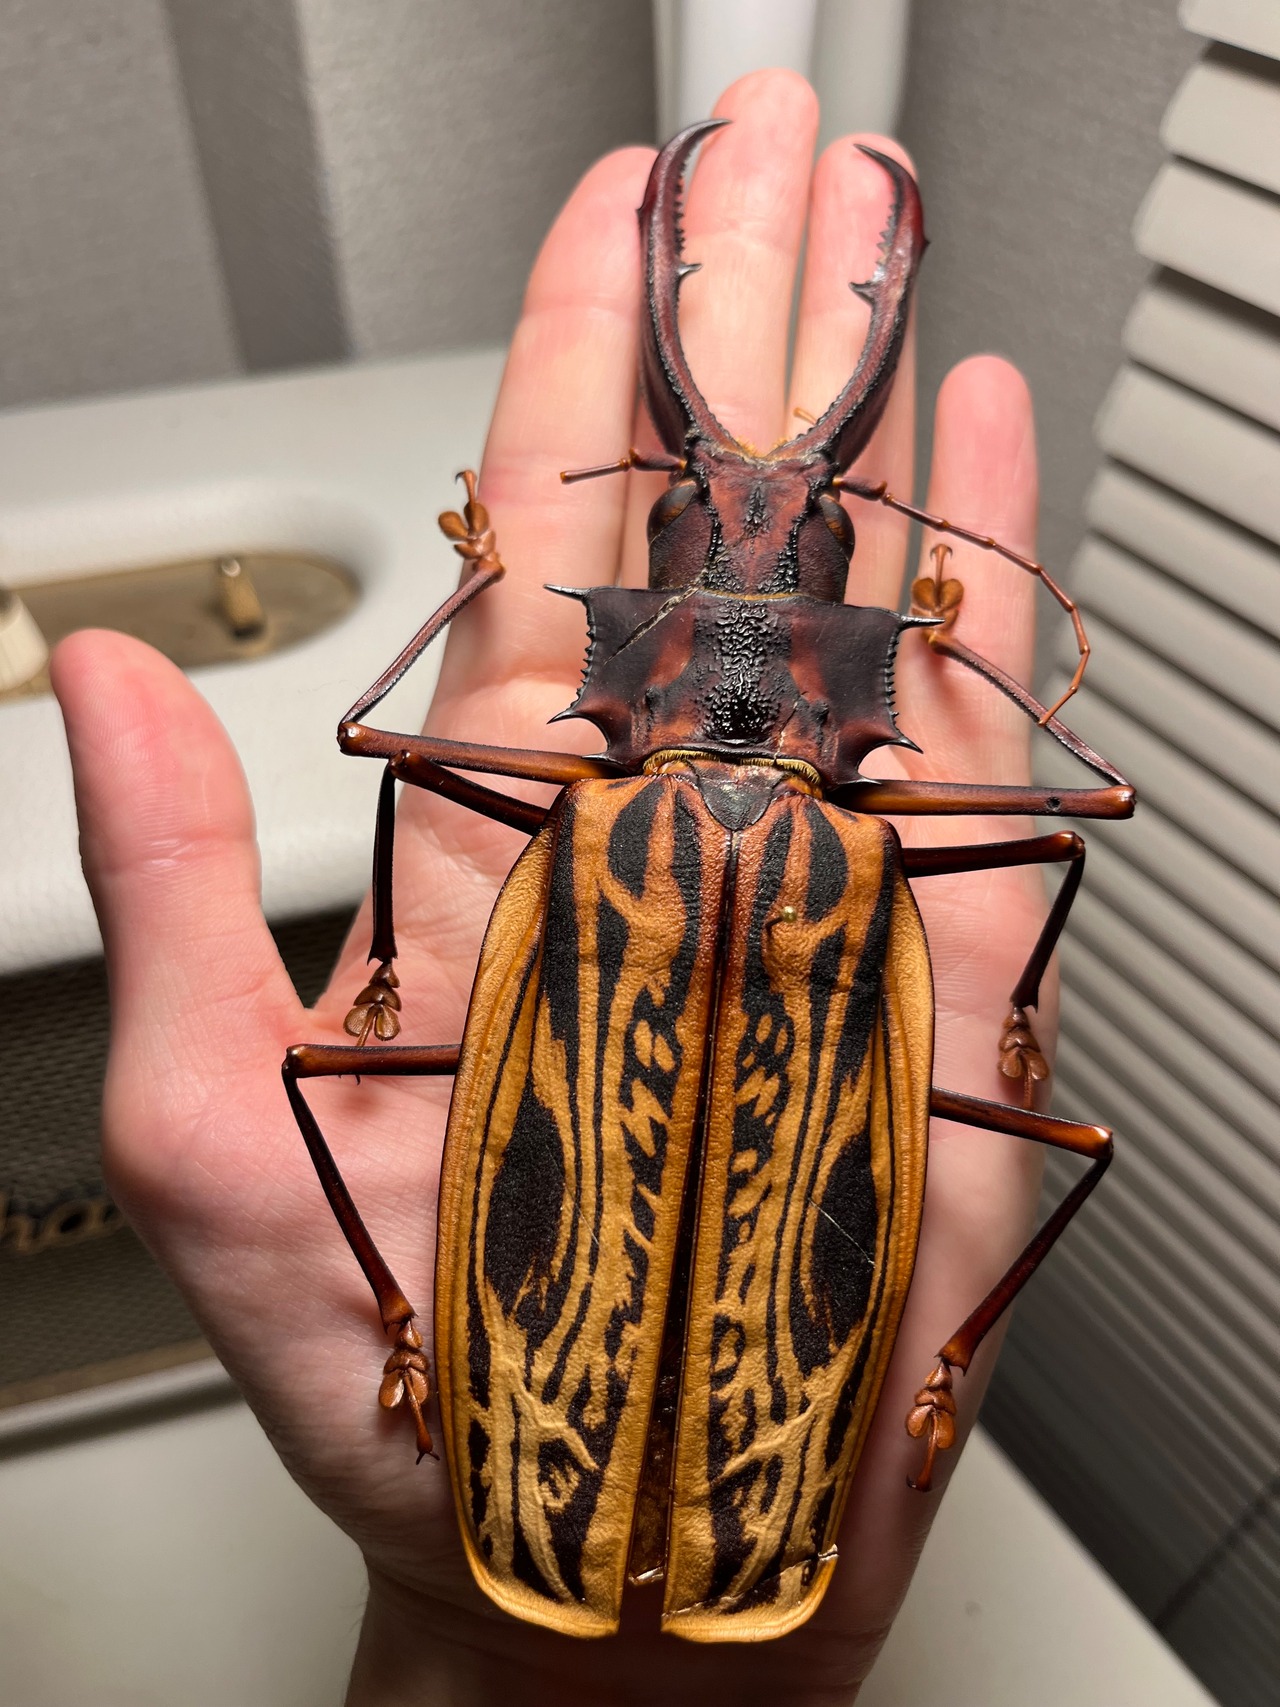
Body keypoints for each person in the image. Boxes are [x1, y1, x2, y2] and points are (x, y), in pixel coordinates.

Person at [53, 69, 1055, 1705]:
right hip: (683, 1470)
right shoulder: (867, 858)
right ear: (850, 662)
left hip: (572, 1426)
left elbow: (377, 740)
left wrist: (473, 581)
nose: (759, 534)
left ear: (640, 649)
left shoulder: (593, 830)